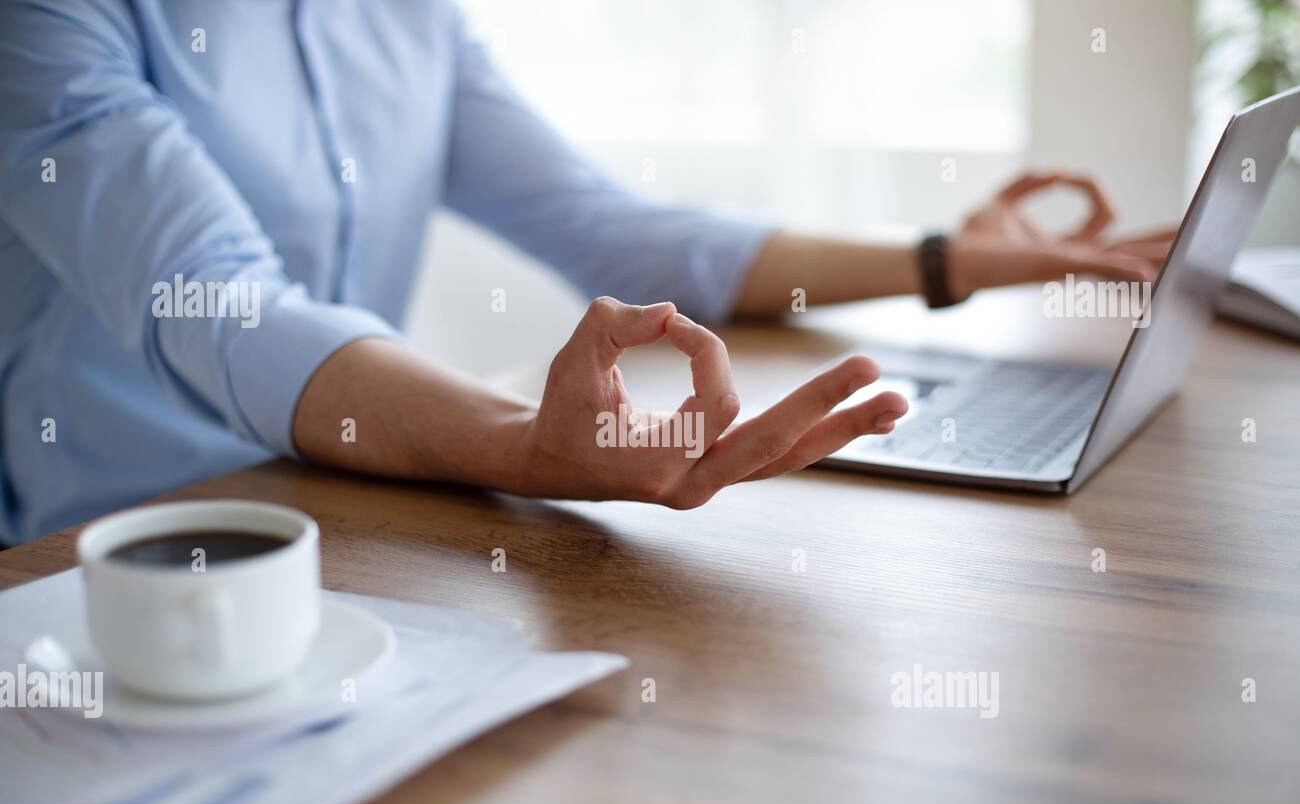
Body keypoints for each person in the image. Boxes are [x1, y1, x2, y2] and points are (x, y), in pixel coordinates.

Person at [0, 1, 1169, 544]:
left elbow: (610, 228)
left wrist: (950, 260)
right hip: (102, 557)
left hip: (356, 514)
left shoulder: (406, 20)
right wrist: (524, 443)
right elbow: (227, 303)